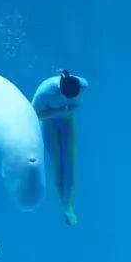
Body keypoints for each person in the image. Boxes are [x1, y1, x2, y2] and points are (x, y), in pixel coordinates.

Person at [32, 69, 88, 226]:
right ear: (60, 91)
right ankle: (63, 203)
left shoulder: (82, 85)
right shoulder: (45, 91)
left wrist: (67, 111)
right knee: (57, 163)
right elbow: (34, 115)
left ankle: (68, 204)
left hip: (66, 120)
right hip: (49, 123)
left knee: (70, 162)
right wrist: (58, 111)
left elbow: (74, 105)